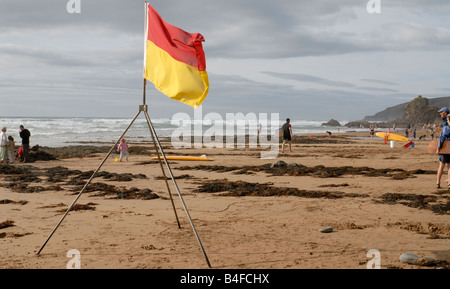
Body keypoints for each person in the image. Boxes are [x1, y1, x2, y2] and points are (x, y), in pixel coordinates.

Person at [435, 116, 450, 189]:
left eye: (447, 119)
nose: (447, 121)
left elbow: (441, 139)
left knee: (441, 166)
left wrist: (438, 148)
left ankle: (438, 183)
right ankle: (449, 184)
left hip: (444, 149)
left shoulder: (445, 129)